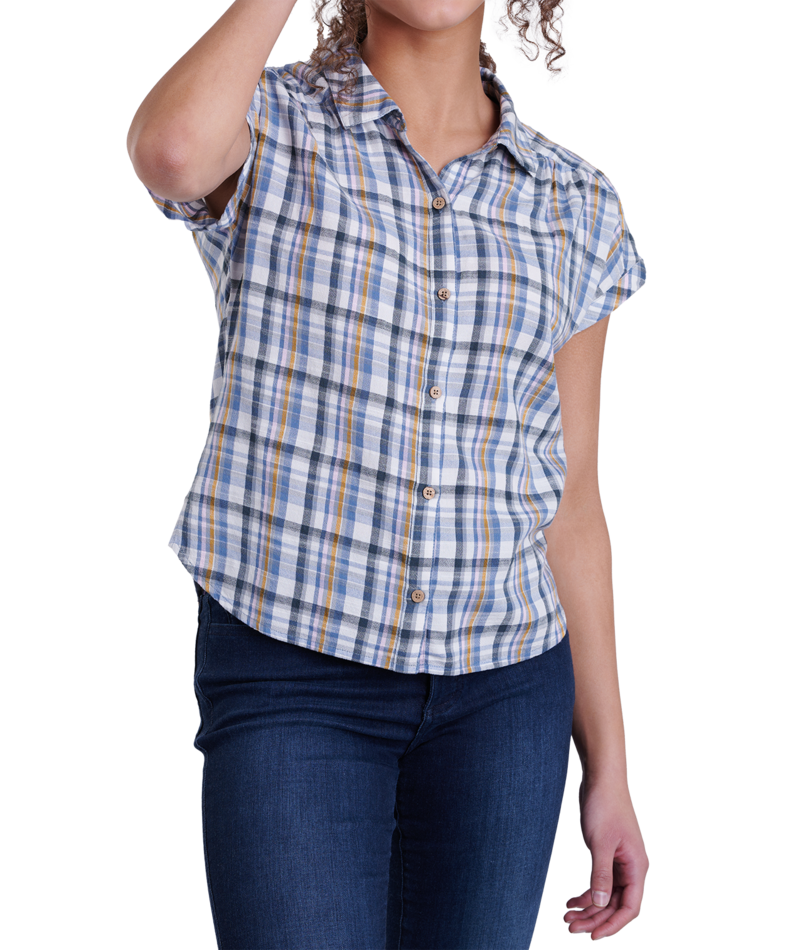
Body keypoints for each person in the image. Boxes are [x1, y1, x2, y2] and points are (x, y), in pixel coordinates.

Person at [126, 0, 649, 946]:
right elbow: (167, 153)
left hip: (505, 701)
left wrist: (608, 768)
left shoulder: (574, 202)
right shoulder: (266, 124)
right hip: (292, 677)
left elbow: (573, 503)